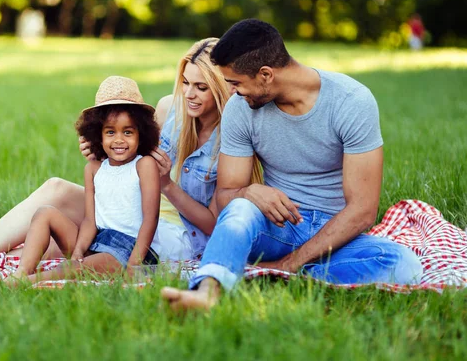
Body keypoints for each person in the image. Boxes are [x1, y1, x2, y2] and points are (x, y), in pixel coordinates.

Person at [0, 38, 245, 268]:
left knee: (61, 246)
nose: (191, 94)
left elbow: (215, 224)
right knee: (57, 190)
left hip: (173, 233)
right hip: (130, 205)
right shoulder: (171, 109)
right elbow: (130, 146)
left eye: (201, 87)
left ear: (220, 87)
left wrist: (168, 186)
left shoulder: (231, 138)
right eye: (186, 83)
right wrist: (101, 151)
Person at [161, 19, 424, 311]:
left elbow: (362, 211)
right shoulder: (240, 109)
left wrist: (290, 263)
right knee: (239, 209)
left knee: (404, 265)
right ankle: (207, 292)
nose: (232, 92)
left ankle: (276, 274)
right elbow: (226, 196)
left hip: (332, 234)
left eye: (236, 83)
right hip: (275, 225)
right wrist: (248, 193)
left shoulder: (351, 102)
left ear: (265, 75)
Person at [0, 76, 161, 286]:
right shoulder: (93, 169)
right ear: (97, 135)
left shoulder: (143, 165)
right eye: (110, 132)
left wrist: (134, 264)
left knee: (70, 269)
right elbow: (90, 222)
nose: (119, 139)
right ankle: (21, 273)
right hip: (98, 240)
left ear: (141, 133)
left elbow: (151, 218)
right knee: (44, 213)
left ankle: (14, 284)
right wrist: (78, 250)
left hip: (129, 249)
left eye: (128, 132)